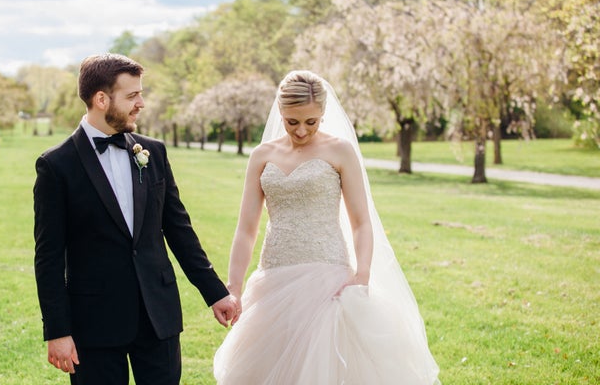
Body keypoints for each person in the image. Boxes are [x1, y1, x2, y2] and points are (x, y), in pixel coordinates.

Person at [214, 70, 441, 384]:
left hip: (327, 274)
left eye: (312, 121)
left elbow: (360, 222)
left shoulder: (340, 151)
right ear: (280, 113)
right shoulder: (262, 156)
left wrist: (362, 274)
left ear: (322, 115)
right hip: (274, 276)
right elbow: (246, 228)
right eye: (293, 122)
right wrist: (234, 285)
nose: (303, 131)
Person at [33, 53, 238, 385]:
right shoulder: (56, 166)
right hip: (94, 324)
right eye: (132, 96)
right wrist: (57, 331)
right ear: (101, 99)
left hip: (158, 316)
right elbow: (48, 257)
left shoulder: (152, 152)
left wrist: (215, 292)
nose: (141, 103)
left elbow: (178, 229)